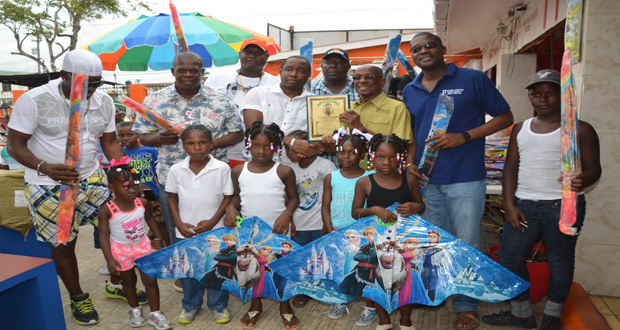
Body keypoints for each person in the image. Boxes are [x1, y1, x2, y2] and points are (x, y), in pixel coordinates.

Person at [401, 32, 514, 330]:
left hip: (465, 177)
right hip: (425, 180)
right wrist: (410, 164)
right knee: (434, 243)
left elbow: (504, 117)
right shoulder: (410, 89)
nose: (424, 51)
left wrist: (463, 137)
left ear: (442, 49)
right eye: (417, 49)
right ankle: (438, 291)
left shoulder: (473, 79)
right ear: (412, 55)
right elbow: (410, 133)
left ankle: (465, 304)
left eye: (429, 45)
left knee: (466, 243)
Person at [7, 49, 126, 325]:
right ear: (64, 76)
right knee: (63, 243)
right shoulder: (34, 100)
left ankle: (119, 282)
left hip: (92, 177)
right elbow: (15, 145)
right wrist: (44, 167)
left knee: (119, 228)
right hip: (49, 183)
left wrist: (125, 172)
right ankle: (77, 296)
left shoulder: (103, 101)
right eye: (87, 83)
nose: (93, 89)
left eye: (97, 83)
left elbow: (109, 143)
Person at [482, 69, 601, 330]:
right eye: (536, 94)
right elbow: (510, 168)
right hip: (524, 205)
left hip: (564, 207)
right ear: (530, 97)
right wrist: (509, 204)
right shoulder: (521, 128)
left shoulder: (579, 129)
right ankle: (522, 314)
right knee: (510, 258)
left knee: (560, 262)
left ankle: (551, 317)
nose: (543, 99)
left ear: (563, 95)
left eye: (550, 93)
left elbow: (595, 169)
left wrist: (584, 178)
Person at [133, 51, 243, 252]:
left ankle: (218, 273)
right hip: (171, 178)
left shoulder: (220, 100)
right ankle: (185, 276)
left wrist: (208, 145)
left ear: (202, 72)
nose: (188, 75)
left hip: (214, 178)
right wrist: (159, 139)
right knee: (179, 230)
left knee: (218, 232)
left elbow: (237, 134)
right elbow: (142, 136)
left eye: (194, 71)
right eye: (182, 70)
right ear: (173, 71)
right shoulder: (154, 101)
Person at [224, 121, 300, 330]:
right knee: (252, 270)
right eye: (256, 145)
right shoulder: (238, 171)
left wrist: (286, 215)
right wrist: (231, 208)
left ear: (276, 147)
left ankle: (285, 307)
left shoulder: (284, 171)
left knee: (281, 270)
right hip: (250, 233)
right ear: (249, 145)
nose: (262, 151)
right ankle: (255, 305)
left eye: (268, 146)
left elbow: (294, 198)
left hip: (278, 231)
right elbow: (237, 197)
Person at [350, 133, 425, 330]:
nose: (387, 162)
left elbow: (421, 205)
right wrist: (374, 210)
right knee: (377, 280)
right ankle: (384, 320)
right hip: (377, 244)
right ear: (372, 156)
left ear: (400, 158)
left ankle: (406, 320)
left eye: (393, 157)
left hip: (403, 242)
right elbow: (355, 212)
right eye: (381, 157)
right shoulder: (364, 183)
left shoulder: (408, 180)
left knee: (406, 279)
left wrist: (414, 207)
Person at [165, 125, 234, 325]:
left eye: (203, 143)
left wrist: (213, 222)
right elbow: (171, 197)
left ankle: (218, 306)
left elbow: (228, 197)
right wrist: (178, 223)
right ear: (184, 146)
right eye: (191, 144)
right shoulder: (177, 169)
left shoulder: (221, 168)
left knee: (217, 268)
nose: (197, 148)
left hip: (217, 230)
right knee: (188, 270)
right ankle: (190, 305)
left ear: (211, 144)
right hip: (186, 230)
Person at [97, 159, 172, 329]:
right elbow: (103, 235)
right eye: (127, 187)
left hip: (143, 247)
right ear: (112, 189)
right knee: (129, 282)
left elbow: (151, 220)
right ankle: (135, 309)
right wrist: (109, 259)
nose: (133, 191)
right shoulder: (107, 210)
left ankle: (155, 313)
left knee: (151, 281)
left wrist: (158, 238)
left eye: (135, 186)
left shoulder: (142, 203)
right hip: (121, 251)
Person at [205, 37, 280, 168]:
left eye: (258, 53)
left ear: (266, 57)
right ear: (240, 55)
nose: (252, 56)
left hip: (263, 153)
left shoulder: (275, 84)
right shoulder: (217, 80)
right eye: (247, 52)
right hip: (223, 152)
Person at [285, 130, 336, 307]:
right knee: (301, 259)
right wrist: (290, 222)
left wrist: (328, 222)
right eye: (286, 148)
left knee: (323, 257)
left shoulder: (326, 165)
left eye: (291, 149)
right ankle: (303, 291)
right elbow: (287, 197)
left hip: (320, 224)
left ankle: (326, 289)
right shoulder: (288, 168)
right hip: (299, 225)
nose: (288, 153)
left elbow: (333, 196)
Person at [242, 56, 324, 160]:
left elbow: (319, 138)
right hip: (260, 164)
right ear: (281, 72)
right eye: (289, 69)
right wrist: (292, 142)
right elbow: (254, 130)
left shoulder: (317, 103)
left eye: (301, 71)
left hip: (298, 165)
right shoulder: (258, 93)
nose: (294, 74)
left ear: (308, 75)